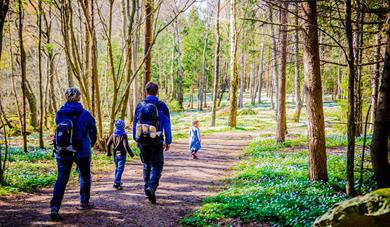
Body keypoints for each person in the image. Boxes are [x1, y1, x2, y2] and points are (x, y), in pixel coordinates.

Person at [50, 87, 97, 220]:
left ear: (66, 97)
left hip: (63, 151)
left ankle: (55, 207)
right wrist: (90, 145)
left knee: (62, 179)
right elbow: (93, 131)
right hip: (82, 152)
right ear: (79, 97)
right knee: (84, 176)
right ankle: (84, 202)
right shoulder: (85, 114)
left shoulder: (60, 113)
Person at [133, 82, 172, 204]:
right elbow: (167, 124)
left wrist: (137, 139)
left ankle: (147, 188)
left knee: (146, 164)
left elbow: (135, 124)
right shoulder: (161, 106)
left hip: (143, 140)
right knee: (157, 164)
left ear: (146, 92)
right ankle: (151, 187)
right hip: (157, 140)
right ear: (157, 92)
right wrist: (168, 140)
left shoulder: (140, 105)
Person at [106, 119, 135, 190]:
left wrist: (109, 153)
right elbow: (126, 146)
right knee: (120, 169)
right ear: (123, 126)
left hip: (115, 155)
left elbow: (108, 144)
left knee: (117, 168)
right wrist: (131, 154)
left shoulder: (113, 134)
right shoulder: (123, 135)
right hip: (122, 155)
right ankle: (116, 182)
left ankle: (117, 182)